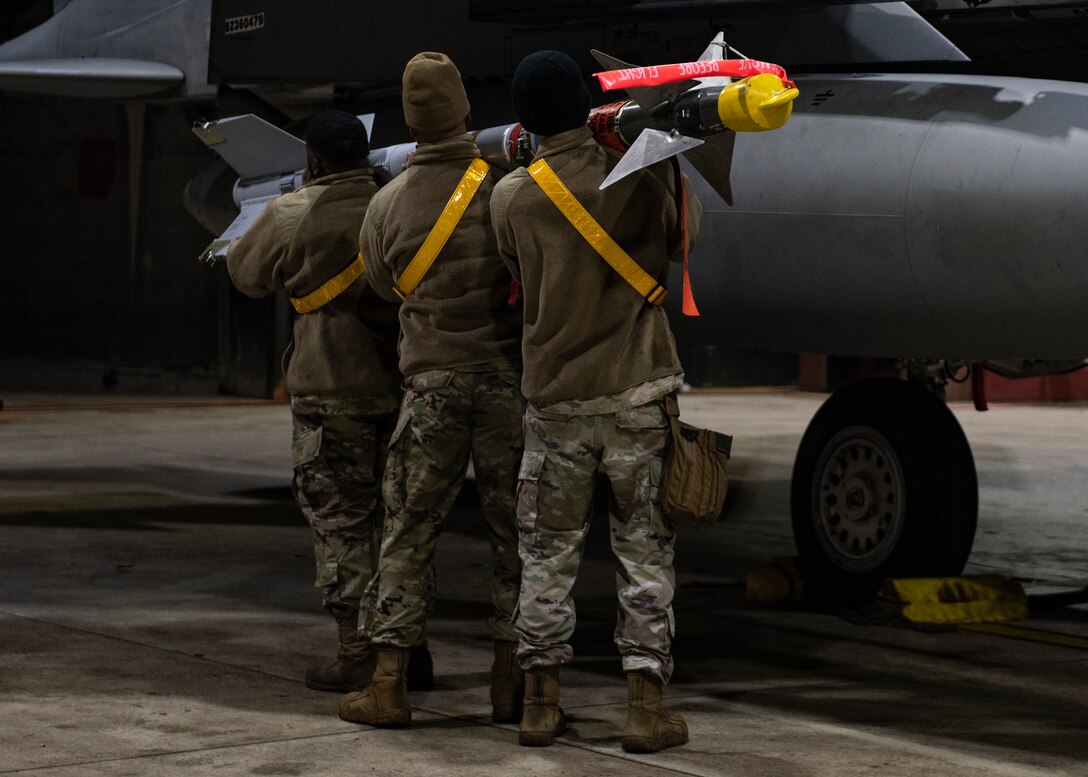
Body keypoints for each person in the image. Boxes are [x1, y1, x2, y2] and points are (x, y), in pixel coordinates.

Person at [489, 50, 702, 752]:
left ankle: (541, 705)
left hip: (554, 403)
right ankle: (645, 710)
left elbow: (518, 272)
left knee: (546, 555)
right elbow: (682, 239)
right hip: (637, 392)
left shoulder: (510, 196)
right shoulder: (634, 172)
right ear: (587, 104)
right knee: (644, 555)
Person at [338, 52, 525, 728]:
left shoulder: (385, 204)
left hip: (431, 385)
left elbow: (384, 286)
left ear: (411, 120)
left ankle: (389, 684)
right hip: (506, 382)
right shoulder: (502, 186)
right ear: (465, 112)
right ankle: (512, 684)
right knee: (515, 536)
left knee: (409, 533)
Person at [226, 110, 417, 694]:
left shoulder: (292, 212)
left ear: (313, 161)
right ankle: (410, 651)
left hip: (330, 391)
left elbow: (245, 274)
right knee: (403, 525)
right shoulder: (395, 203)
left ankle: (357, 652)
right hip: (402, 388)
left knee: (341, 524)